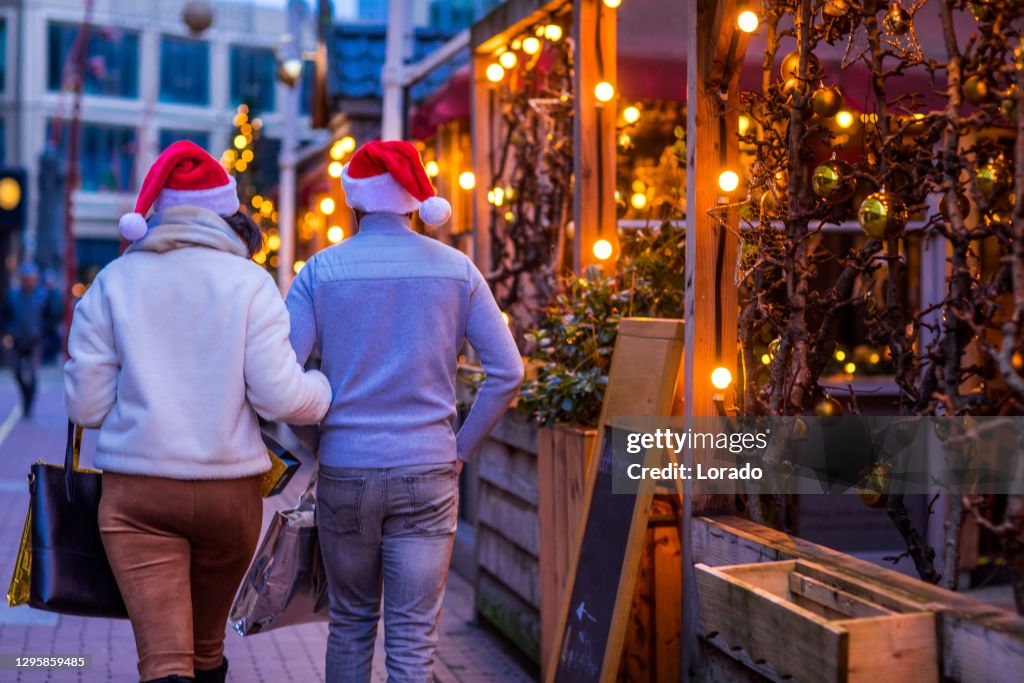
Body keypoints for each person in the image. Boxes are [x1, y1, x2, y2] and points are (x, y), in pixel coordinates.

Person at [64, 141, 332, 683]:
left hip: (138, 495)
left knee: (164, 660)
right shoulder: (251, 283)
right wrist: (322, 388)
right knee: (206, 651)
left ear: (155, 216)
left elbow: (86, 406)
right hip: (229, 494)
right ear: (228, 214)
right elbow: (280, 399)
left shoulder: (114, 283)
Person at [286, 140, 523, 682]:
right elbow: (509, 372)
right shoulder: (457, 270)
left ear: (355, 202)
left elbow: (280, 378)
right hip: (429, 467)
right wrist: (459, 449)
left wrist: (319, 441)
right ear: (417, 202)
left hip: (346, 469)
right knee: (413, 640)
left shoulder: (320, 271)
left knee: (349, 622)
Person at [3, 262, 58, 417]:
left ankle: (29, 405)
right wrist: (7, 332)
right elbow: (5, 316)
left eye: (31, 279)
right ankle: (24, 394)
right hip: (16, 339)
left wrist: (43, 333)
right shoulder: (13, 295)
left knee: (33, 373)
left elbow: (50, 318)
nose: (28, 282)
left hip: (35, 340)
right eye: (25, 278)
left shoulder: (43, 296)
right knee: (16, 372)